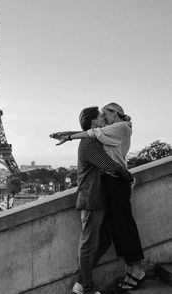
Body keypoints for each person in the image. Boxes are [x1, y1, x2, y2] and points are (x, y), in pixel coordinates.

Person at [51, 103, 145, 291]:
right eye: (100, 116)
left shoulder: (107, 133)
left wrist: (68, 136)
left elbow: (91, 131)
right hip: (92, 197)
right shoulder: (91, 143)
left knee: (106, 238)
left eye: (105, 114)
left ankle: (82, 282)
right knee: (92, 243)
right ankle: (85, 286)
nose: (103, 117)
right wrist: (127, 176)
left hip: (101, 194)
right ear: (95, 121)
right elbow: (107, 163)